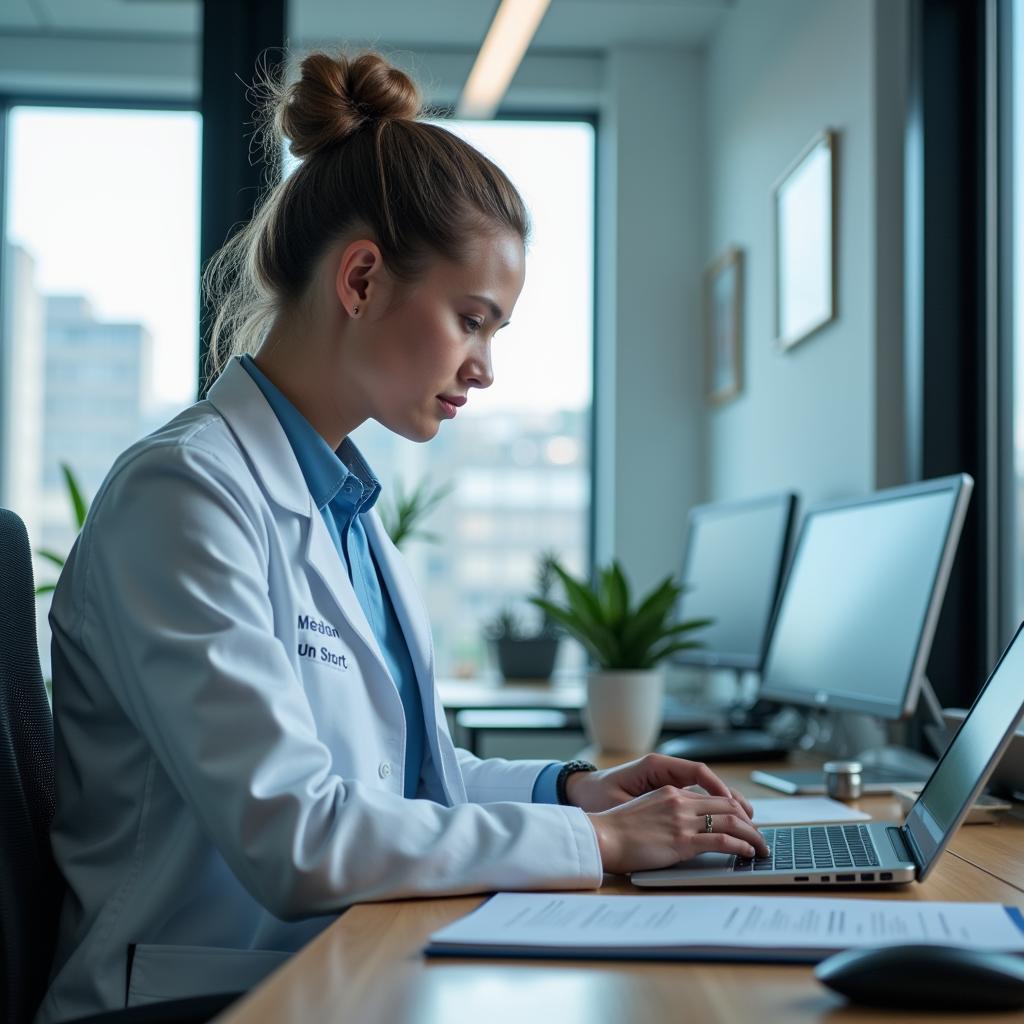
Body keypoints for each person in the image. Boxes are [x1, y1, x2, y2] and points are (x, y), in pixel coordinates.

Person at [34, 50, 769, 1024]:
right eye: (474, 320)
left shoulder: (339, 505)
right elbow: (299, 836)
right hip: (200, 994)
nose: (485, 368)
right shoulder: (184, 495)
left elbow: (406, 779)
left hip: (329, 967)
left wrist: (574, 791)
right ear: (363, 277)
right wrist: (606, 845)